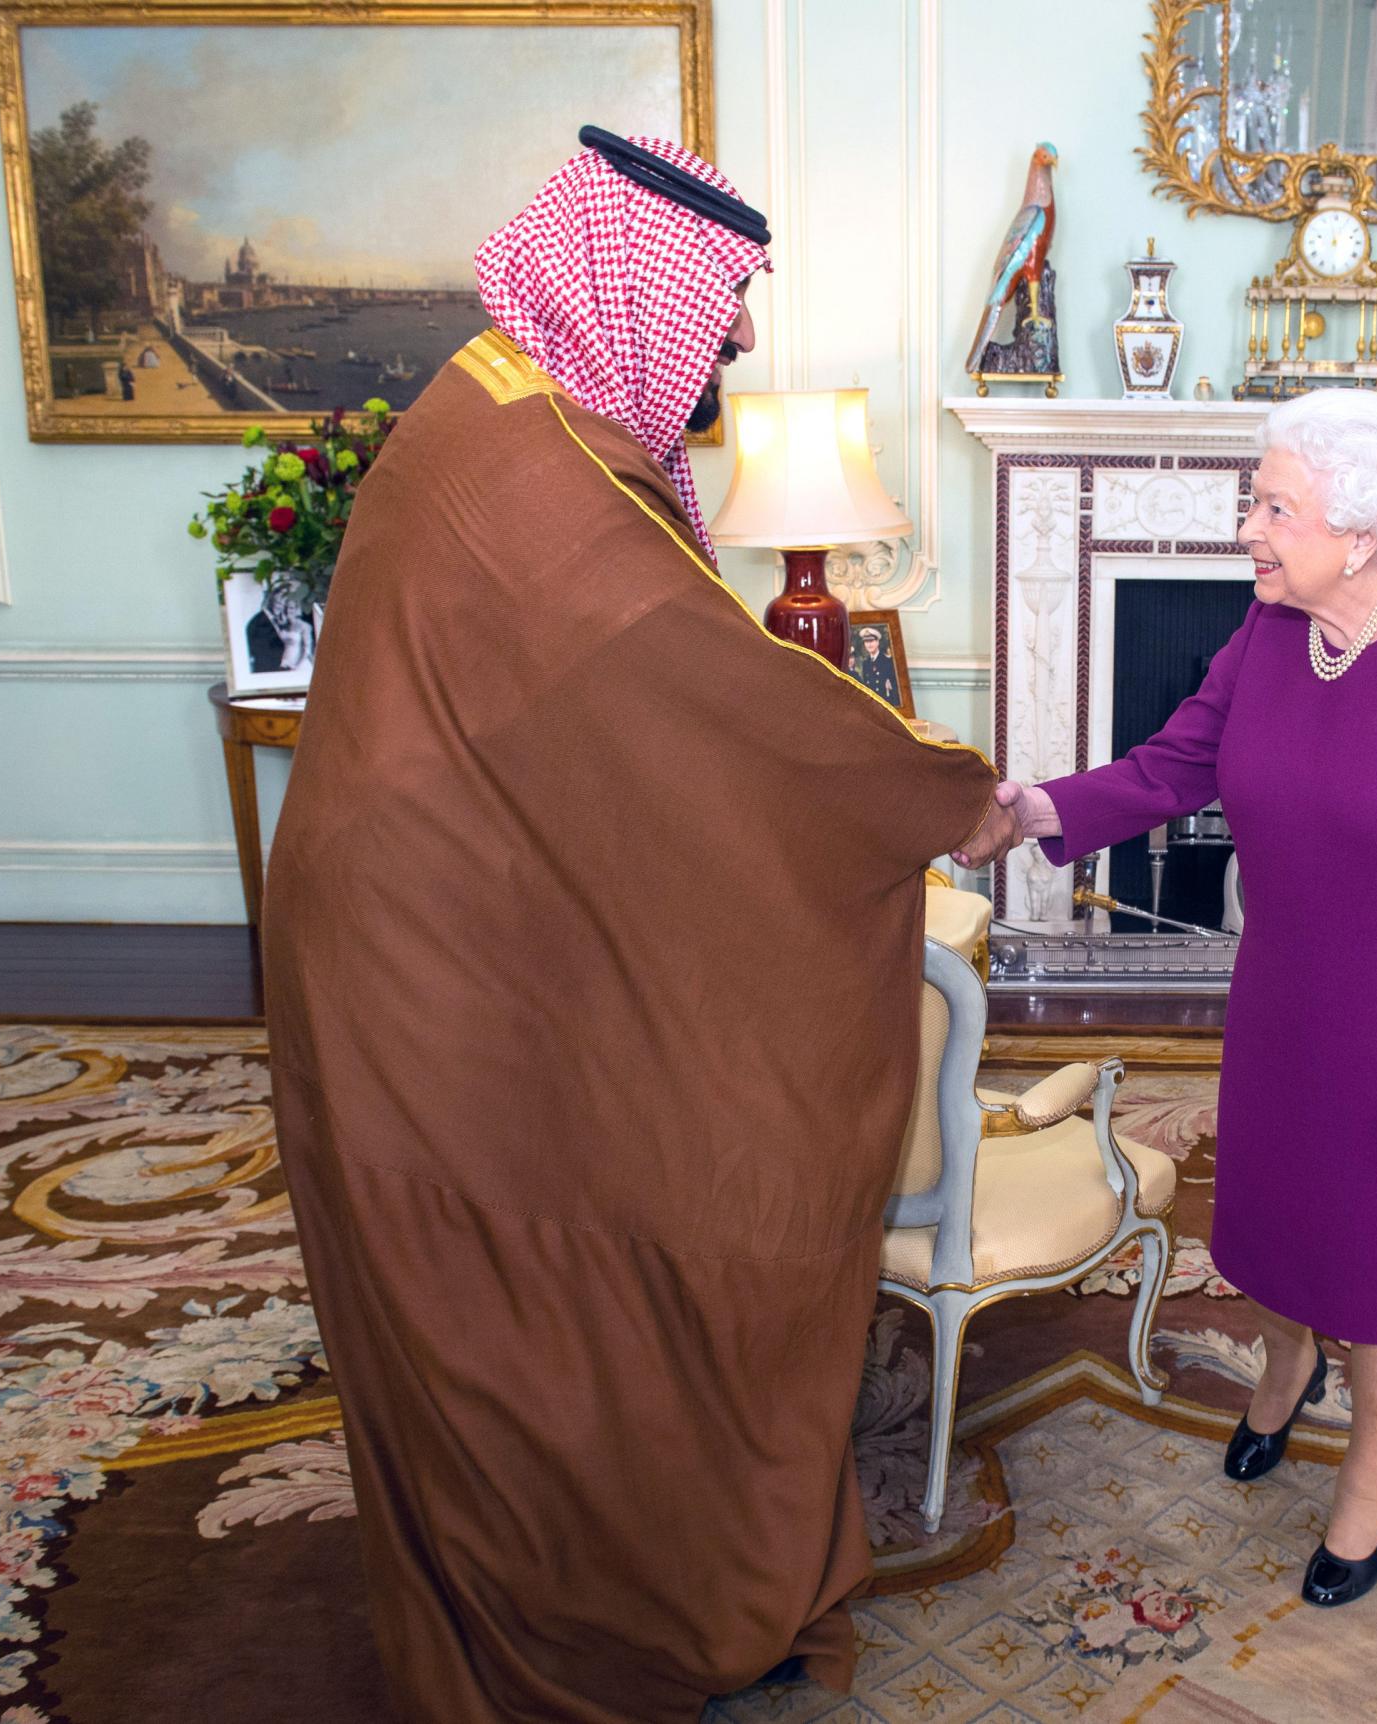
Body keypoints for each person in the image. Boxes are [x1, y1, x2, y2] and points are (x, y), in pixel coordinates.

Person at [261, 130, 1008, 1723]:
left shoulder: (521, 414)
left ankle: (582, 1576)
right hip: (429, 958)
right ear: (630, 279)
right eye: (724, 301)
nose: (736, 337)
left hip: (443, 917)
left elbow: (639, 724)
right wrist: (935, 798)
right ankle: (567, 1624)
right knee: (513, 1284)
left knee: (547, 1254)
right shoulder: (535, 471)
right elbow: (713, 702)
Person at [956, 387, 1377, 1609]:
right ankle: (1288, 1359)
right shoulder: (1267, 634)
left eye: (1272, 505)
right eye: (1254, 499)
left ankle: (1372, 1467)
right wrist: (1033, 808)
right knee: (1284, 1209)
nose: (1246, 527)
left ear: (1358, 530)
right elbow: (1167, 766)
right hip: (1287, 996)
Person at [244, 581, 316, 674]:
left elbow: (307, 649)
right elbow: (264, 655)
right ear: (272, 599)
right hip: (271, 673)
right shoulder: (259, 623)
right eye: (279, 602)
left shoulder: (290, 621)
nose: (282, 605)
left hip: (294, 666)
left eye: (285, 602)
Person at [852, 624, 901, 706]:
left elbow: (896, 689)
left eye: (871, 641)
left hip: (886, 704)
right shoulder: (866, 663)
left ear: (877, 642)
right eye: (866, 641)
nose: (869, 644)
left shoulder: (888, 661)